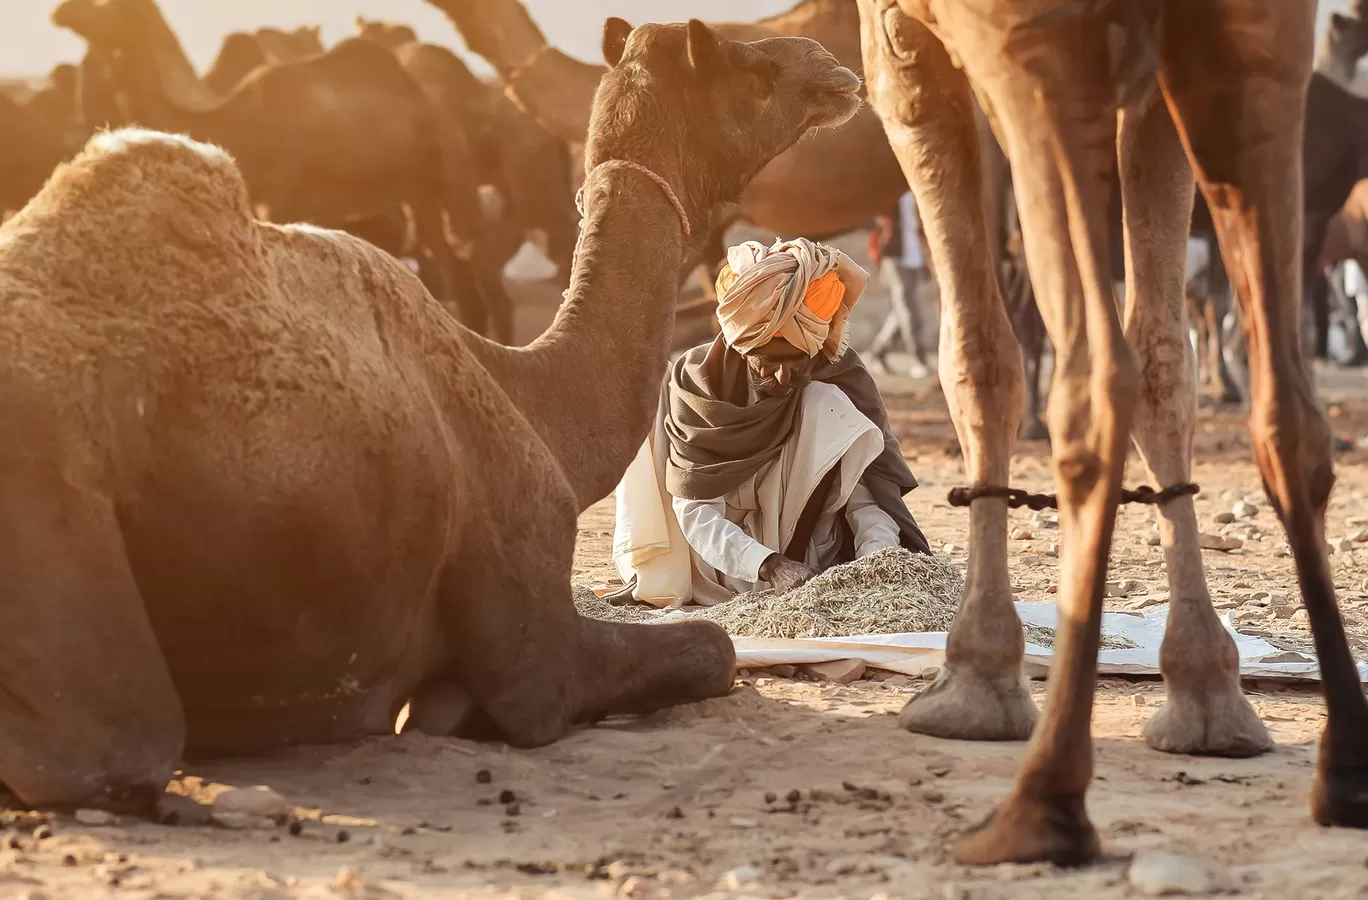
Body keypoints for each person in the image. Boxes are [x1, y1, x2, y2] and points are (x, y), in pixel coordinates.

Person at [611, 237, 931, 607]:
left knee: (823, 400)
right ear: (743, 347)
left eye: (794, 360)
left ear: (811, 350)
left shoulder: (837, 387)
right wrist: (768, 565)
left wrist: (874, 569)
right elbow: (696, 511)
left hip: (816, 569)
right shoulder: (699, 388)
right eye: (768, 360)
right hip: (724, 569)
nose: (782, 377)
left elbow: (868, 505)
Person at [865, 192, 936, 377]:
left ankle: (876, 353)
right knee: (909, 310)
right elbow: (875, 224)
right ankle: (919, 359)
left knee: (901, 311)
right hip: (895, 258)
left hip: (914, 258)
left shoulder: (918, 191)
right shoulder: (891, 194)